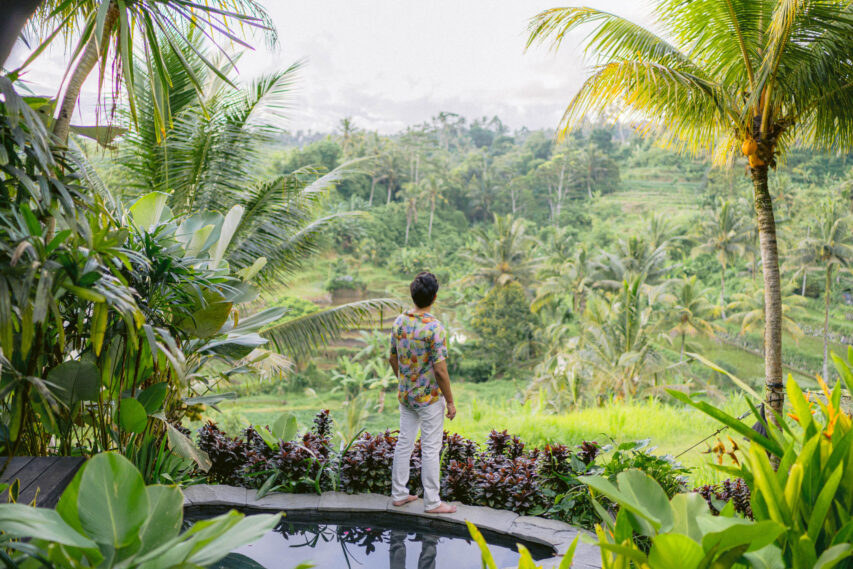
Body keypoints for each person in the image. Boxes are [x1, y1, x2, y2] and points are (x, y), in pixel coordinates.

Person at [389, 271, 457, 514]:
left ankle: (398, 494)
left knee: (404, 442)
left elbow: (392, 357)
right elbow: (440, 370)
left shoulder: (399, 322)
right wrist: (450, 401)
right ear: (434, 297)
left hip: (406, 396)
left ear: (412, 294)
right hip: (428, 399)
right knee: (430, 447)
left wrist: (405, 381)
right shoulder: (435, 328)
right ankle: (433, 502)